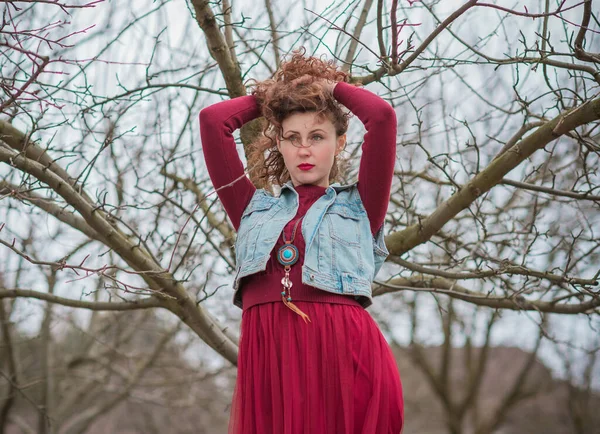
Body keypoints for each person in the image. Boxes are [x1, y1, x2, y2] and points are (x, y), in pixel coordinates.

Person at [199, 47, 403, 434]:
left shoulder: (362, 207)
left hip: (343, 355)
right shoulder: (250, 208)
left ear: (339, 143)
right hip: (270, 358)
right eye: (292, 137)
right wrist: (274, 97)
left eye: (317, 136)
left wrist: (329, 87)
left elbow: (381, 117)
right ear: (278, 143)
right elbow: (213, 122)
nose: (304, 148)